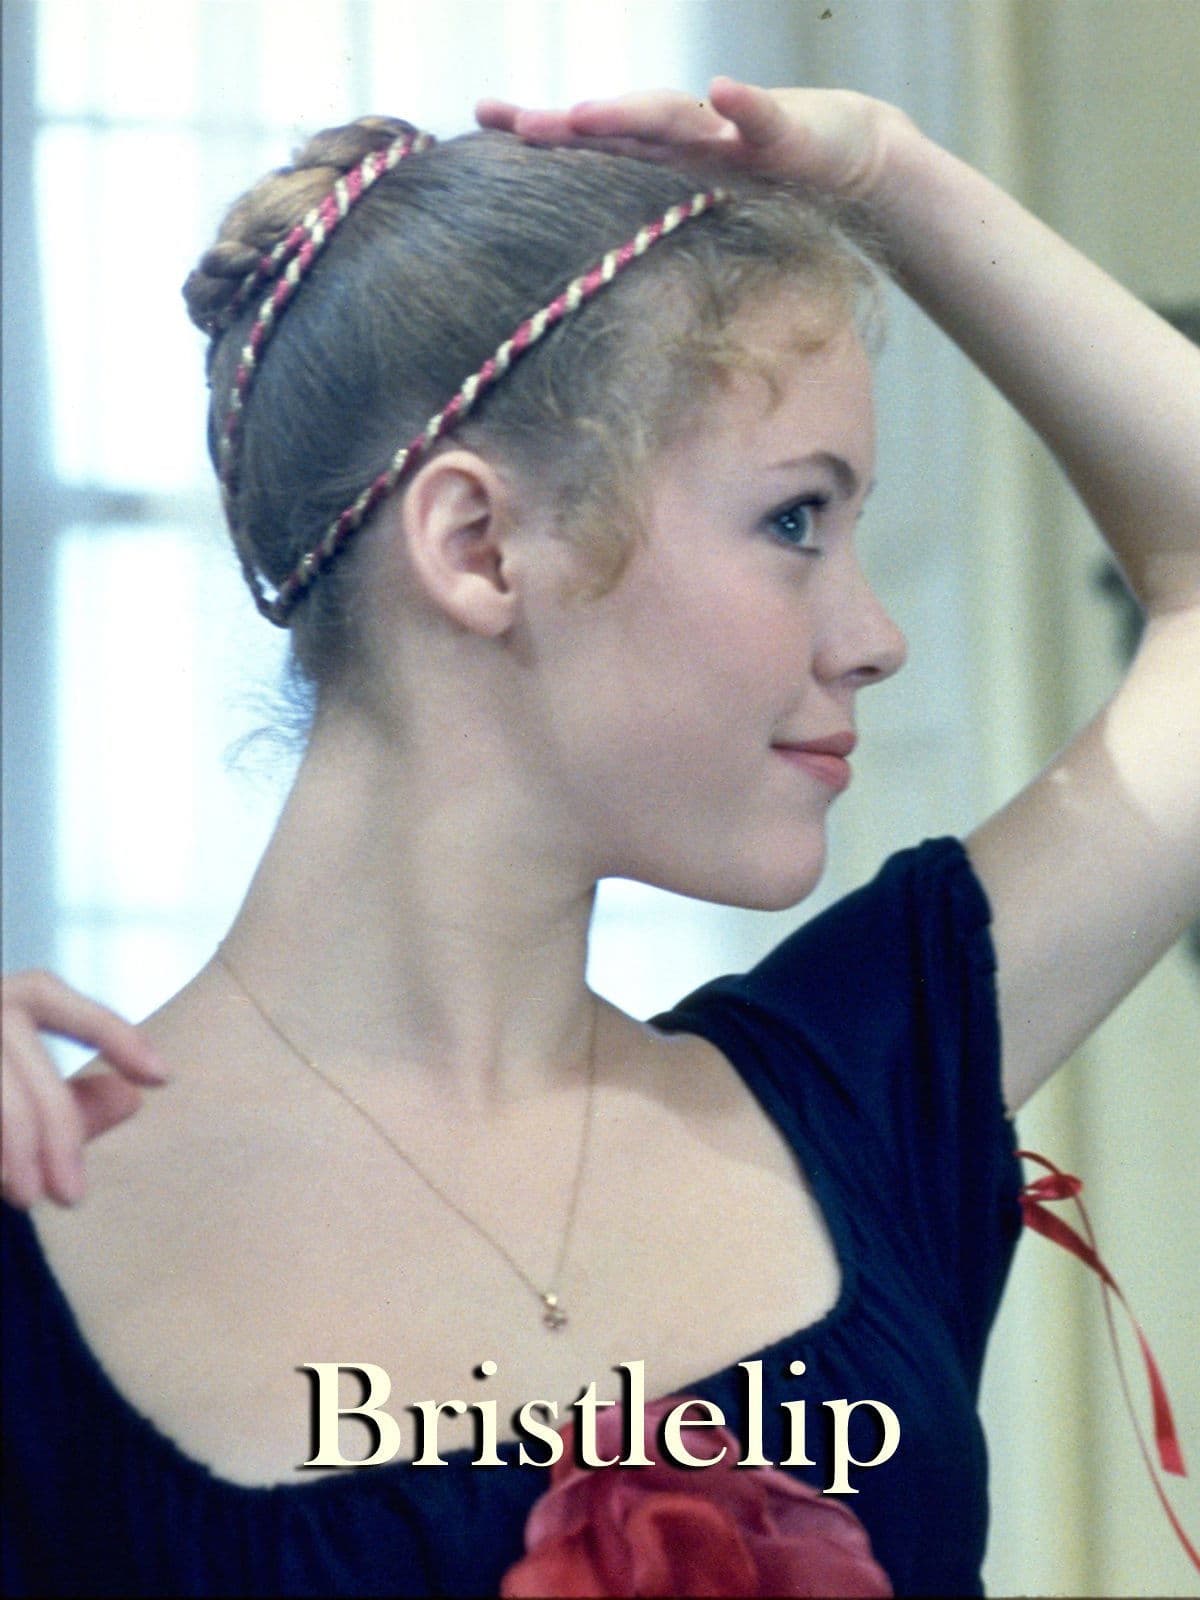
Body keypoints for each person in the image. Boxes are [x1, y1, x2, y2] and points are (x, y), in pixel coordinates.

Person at [2, 77, 1197, 1598]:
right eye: (794, 522)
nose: (875, 638)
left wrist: (886, 172)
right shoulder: (38, 1248)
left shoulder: (861, 1094)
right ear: (480, 546)